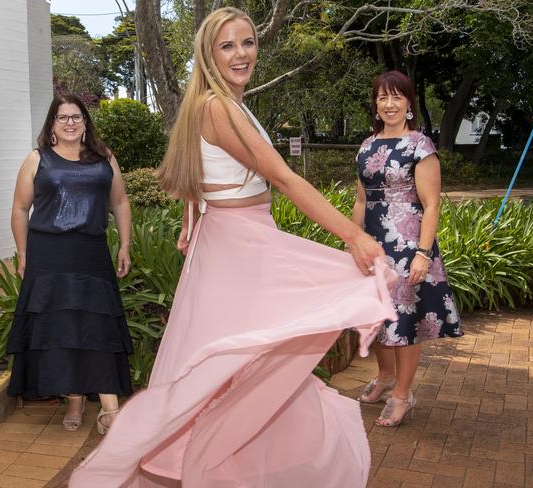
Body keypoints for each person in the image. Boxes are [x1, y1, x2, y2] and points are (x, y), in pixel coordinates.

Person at [70, 8, 397, 488]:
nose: (241, 53)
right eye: (227, 45)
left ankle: (231, 467)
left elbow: (192, 178)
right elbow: (283, 178)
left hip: (235, 241)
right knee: (244, 366)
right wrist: (355, 237)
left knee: (249, 365)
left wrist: (190, 220)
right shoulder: (217, 107)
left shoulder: (220, 104)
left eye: (247, 42)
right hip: (241, 244)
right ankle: (214, 465)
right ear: (208, 53)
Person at [6, 94, 133, 434]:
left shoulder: (103, 158)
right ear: (51, 125)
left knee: (97, 328)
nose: (71, 123)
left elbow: (119, 202)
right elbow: (20, 209)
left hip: (91, 253)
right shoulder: (38, 160)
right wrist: (23, 254)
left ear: (86, 122)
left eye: (77, 117)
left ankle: (109, 408)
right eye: (63, 118)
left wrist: (125, 244)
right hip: (49, 255)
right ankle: (77, 399)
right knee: (61, 329)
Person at [353, 71, 463, 427]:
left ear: (409, 104)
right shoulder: (366, 145)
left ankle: (403, 394)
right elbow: (360, 200)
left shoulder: (420, 145)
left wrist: (423, 254)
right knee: (377, 315)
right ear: (375, 103)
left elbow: (431, 204)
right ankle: (385, 378)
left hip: (407, 244)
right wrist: (352, 241)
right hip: (372, 244)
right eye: (383, 98)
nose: (389, 104)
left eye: (397, 97)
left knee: (405, 322)